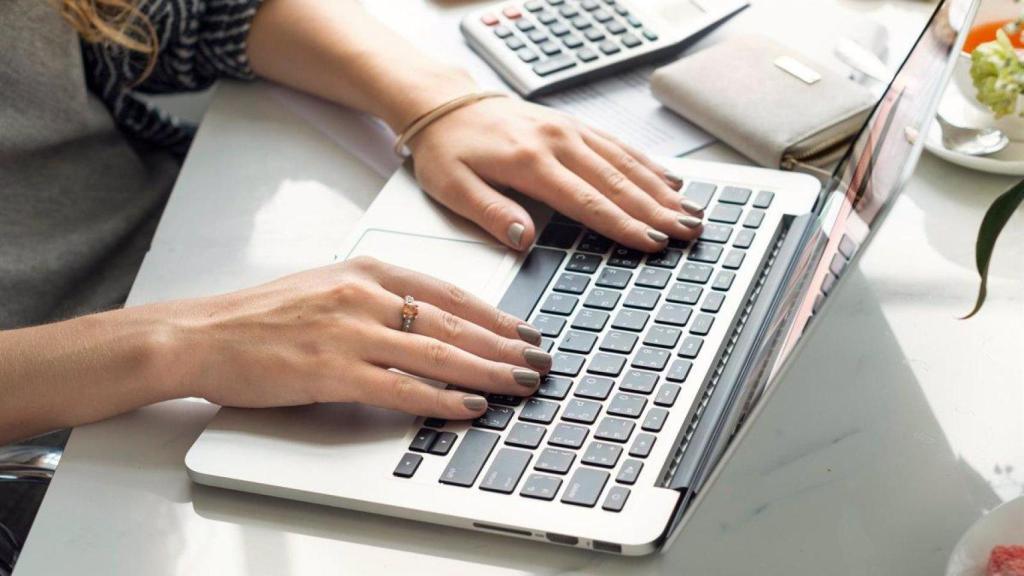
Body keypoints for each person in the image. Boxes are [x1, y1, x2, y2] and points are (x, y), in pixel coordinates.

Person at [0, 0, 704, 446]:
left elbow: (209, 13)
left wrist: (439, 104)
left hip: (199, 257)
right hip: (70, 413)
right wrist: (179, 340)